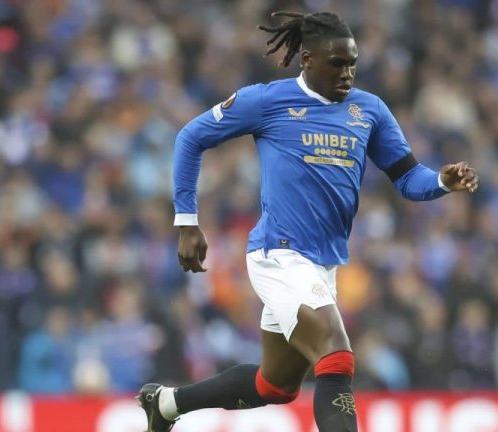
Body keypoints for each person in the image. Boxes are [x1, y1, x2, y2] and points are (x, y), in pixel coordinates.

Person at [136, 11, 479, 432]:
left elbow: (408, 178)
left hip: (322, 266)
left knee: (276, 386)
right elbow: (191, 137)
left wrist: (442, 181)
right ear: (308, 59)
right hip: (279, 255)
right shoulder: (267, 101)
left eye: (352, 63)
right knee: (337, 354)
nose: (347, 73)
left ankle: (166, 404)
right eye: (337, 63)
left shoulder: (369, 111)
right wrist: (187, 221)